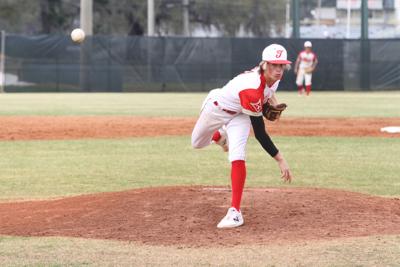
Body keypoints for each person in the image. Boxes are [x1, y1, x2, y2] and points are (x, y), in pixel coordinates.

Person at [191, 44, 293, 229]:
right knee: (197, 143)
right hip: (217, 109)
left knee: (237, 155)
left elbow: (269, 92)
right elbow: (260, 134)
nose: (278, 70)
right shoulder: (251, 89)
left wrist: (272, 102)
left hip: (241, 114)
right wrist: (280, 159)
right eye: (274, 65)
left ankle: (235, 212)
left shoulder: (274, 79)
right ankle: (220, 136)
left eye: (281, 65)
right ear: (264, 65)